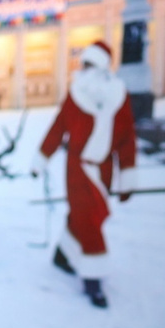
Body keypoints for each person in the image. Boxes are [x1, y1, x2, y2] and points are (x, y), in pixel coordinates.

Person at [36, 41, 136, 309]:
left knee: (92, 216)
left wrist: (128, 174)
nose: (87, 70)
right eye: (85, 65)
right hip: (78, 169)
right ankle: (94, 281)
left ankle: (62, 256)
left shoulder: (119, 96)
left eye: (92, 65)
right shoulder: (76, 93)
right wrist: (41, 160)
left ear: (104, 67)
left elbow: (127, 138)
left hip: (103, 170)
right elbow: (58, 128)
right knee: (89, 220)